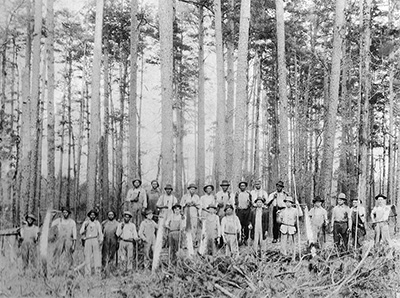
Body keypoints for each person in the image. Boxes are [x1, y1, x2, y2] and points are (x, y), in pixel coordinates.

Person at [51, 207, 77, 271]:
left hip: (68, 240)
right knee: (56, 254)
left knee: (69, 255)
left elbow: (75, 235)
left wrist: (74, 244)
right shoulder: (59, 220)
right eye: (64, 212)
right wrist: (53, 217)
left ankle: (70, 269)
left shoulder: (72, 222)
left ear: (69, 213)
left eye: (66, 212)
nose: (65, 214)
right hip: (60, 240)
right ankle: (54, 269)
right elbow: (51, 224)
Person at [80, 209, 103, 276]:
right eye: (91, 215)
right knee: (87, 256)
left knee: (97, 257)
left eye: (94, 215)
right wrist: (84, 227)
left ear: (95, 216)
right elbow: (81, 232)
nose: (92, 216)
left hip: (95, 239)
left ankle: (97, 273)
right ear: (89, 216)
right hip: (87, 240)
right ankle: (87, 273)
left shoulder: (97, 223)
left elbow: (100, 232)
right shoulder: (86, 223)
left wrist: (101, 240)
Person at [234, 181, 252, 245]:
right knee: (240, 225)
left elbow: (251, 202)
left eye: (243, 186)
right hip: (240, 210)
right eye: (241, 186)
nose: (242, 187)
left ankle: (246, 239)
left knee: (246, 225)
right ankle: (240, 239)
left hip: (247, 210)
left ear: (245, 187)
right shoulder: (237, 193)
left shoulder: (248, 193)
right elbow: (235, 203)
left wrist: (249, 205)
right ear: (239, 187)